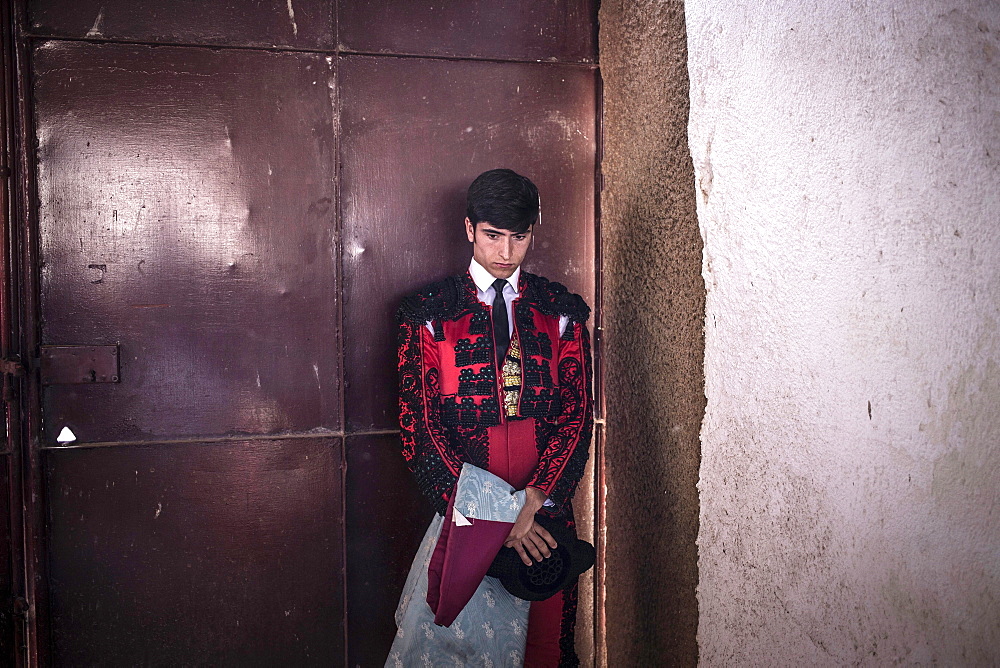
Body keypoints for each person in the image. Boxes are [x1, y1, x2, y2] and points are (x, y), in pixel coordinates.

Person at [388, 169, 593, 667]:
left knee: (545, 646)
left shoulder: (560, 311)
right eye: (493, 236)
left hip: (543, 507)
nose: (506, 252)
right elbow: (421, 429)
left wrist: (535, 502)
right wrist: (499, 515)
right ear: (469, 229)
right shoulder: (429, 315)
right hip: (467, 513)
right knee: (461, 649)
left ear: (531, 233)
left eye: (518, 237)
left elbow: (576, 416)